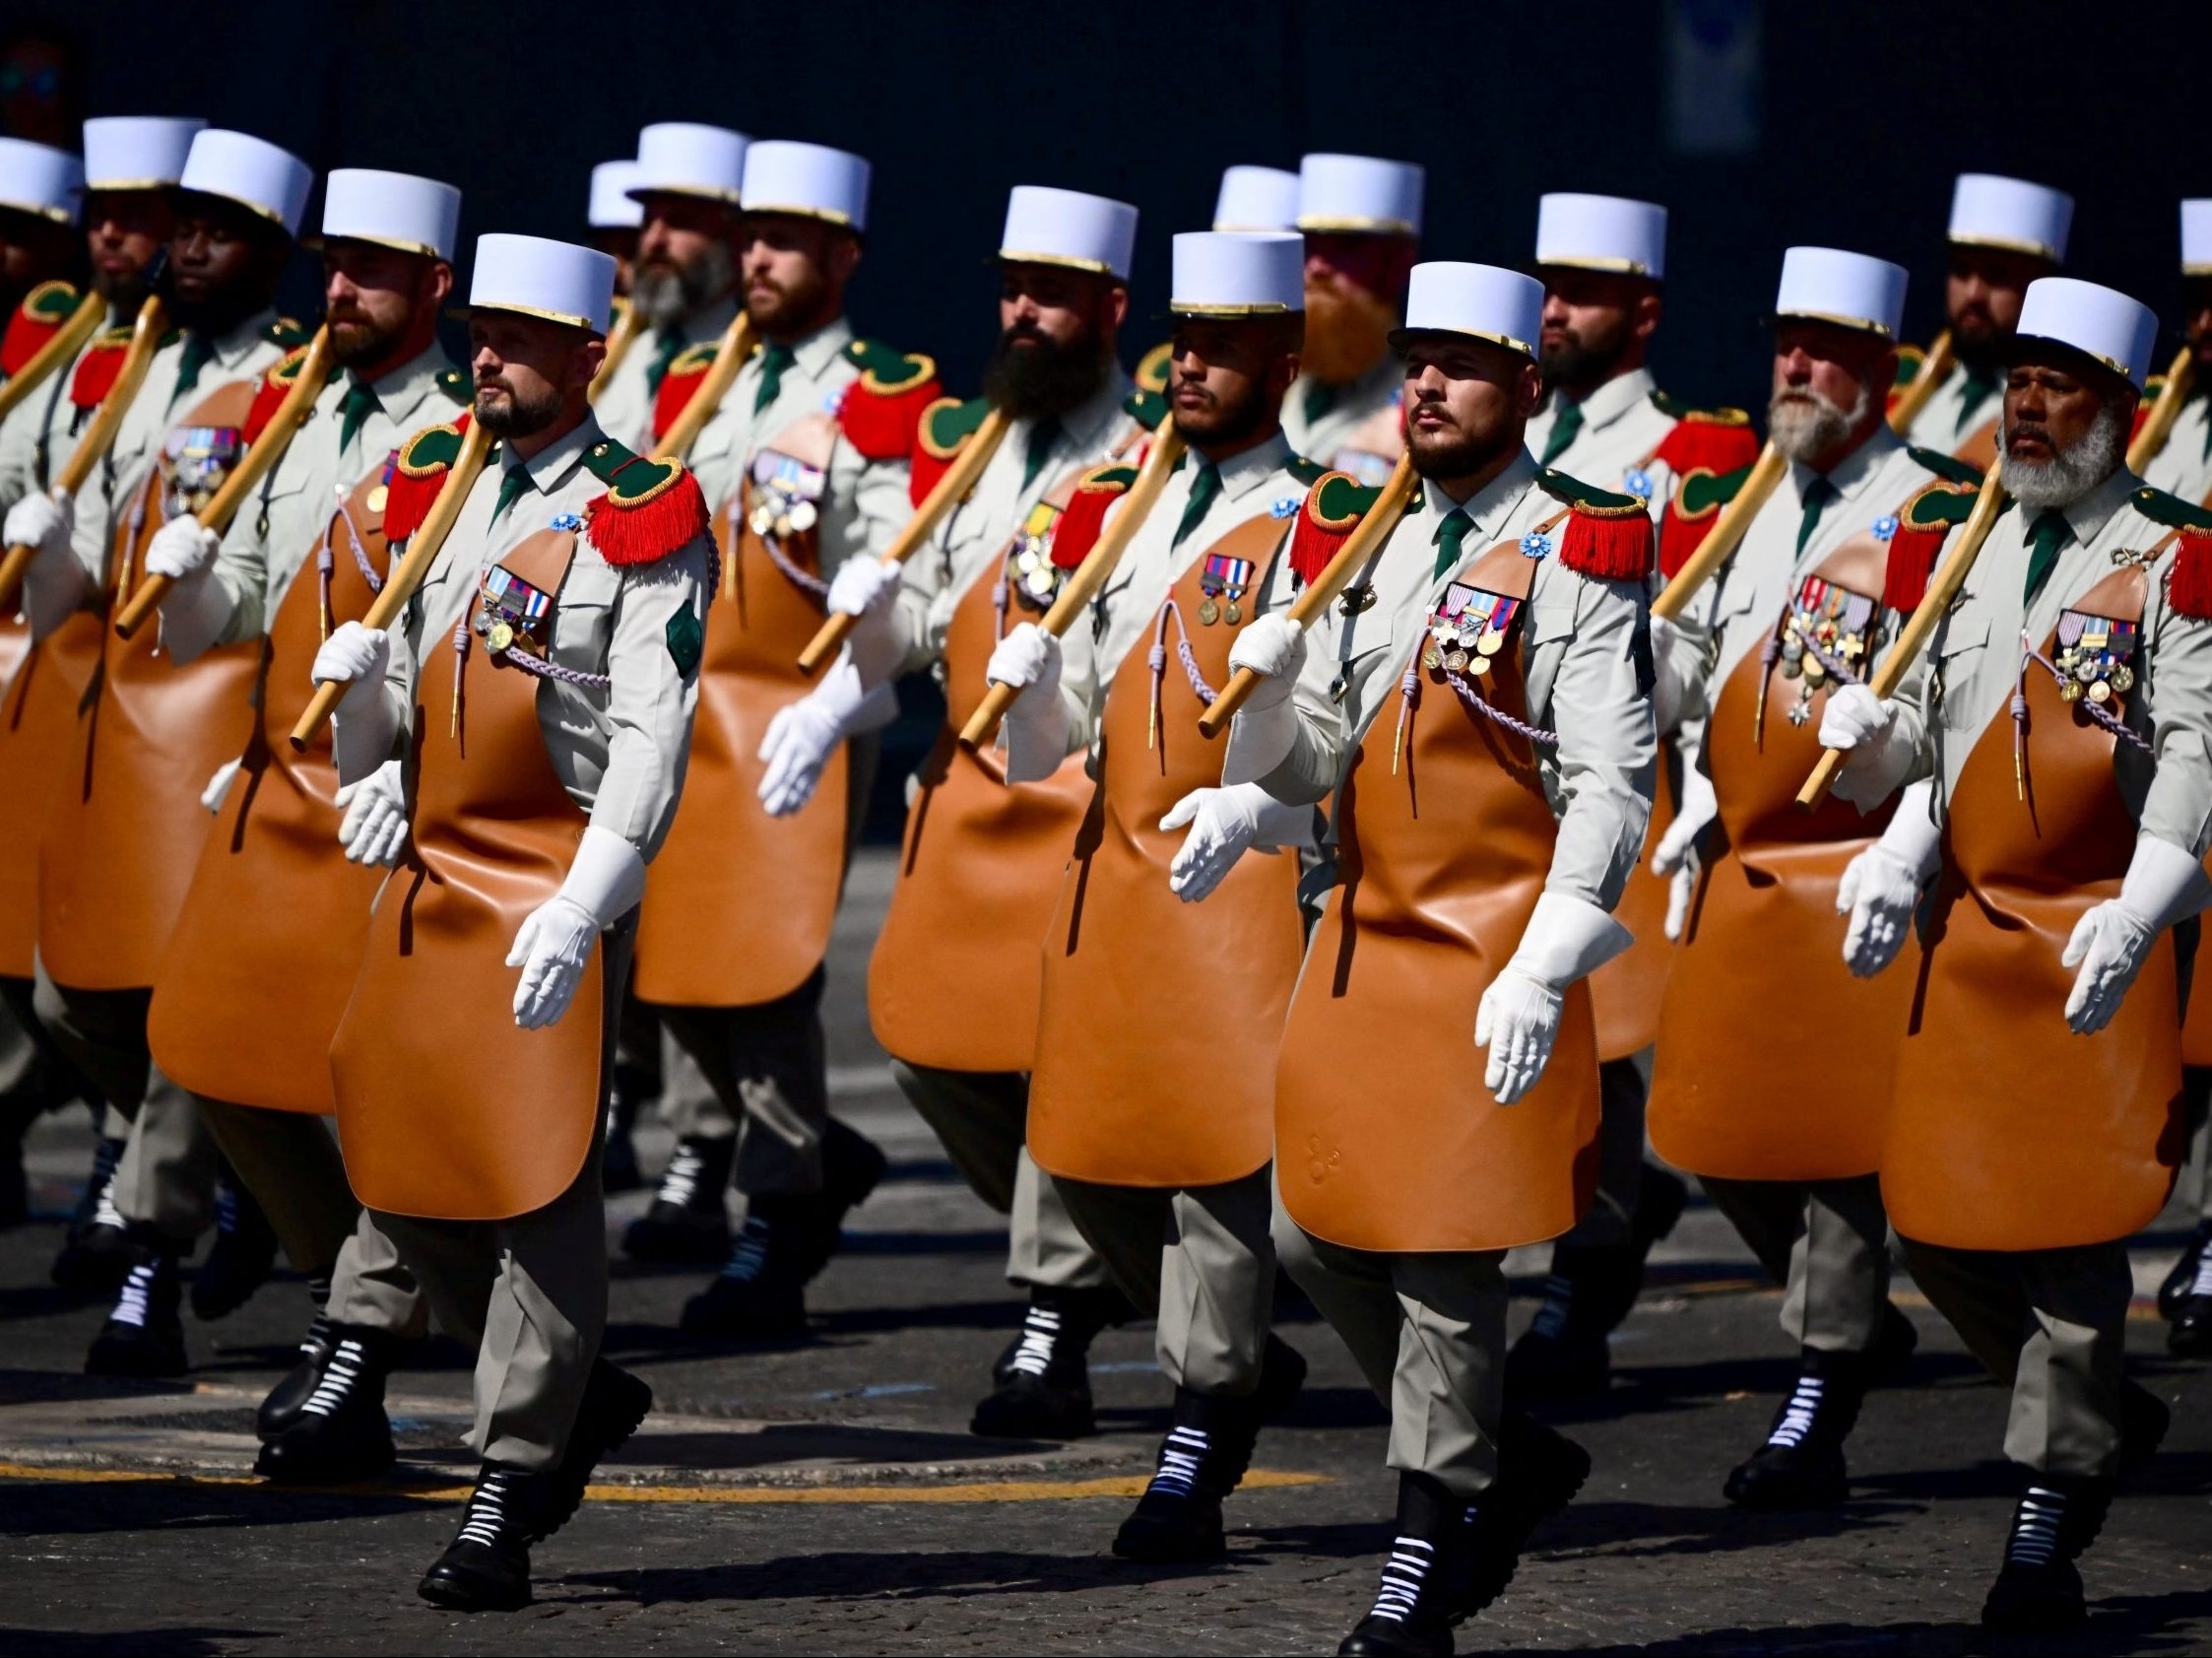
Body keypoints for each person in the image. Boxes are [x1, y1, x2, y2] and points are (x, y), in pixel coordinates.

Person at [1213, 260, 1657, 1654]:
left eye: (1461, 366)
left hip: (1483, 939)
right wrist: (1266, 733)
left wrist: (1543, 959)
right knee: (1310, 1228)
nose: (1423, 385)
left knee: (1443, 1253)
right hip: (1359, 934)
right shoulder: (1367, 536)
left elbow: (1607, 783)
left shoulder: (1577, 544)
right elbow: (1324, 757)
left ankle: (1429, 1533)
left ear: (1526, 390)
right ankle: (1503, 1452)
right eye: (1414, 361)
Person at [307, 232, 711, 1610]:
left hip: (555, 869)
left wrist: (588, 903)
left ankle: (508, 1485)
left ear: (586, 354)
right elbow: (409, 711)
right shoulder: (443, 487)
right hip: (432, 871)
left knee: (537, 1184)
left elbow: (653, 736)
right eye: (478, 332)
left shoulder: (641, 508)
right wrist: (363, 717)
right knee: (399, 1155)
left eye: (521, 338)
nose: (486, 357)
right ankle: (573, 1387)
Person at [1820, 276, 2206, 1630]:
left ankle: (2048, 1510)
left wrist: (2148, 895)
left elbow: (2197, 751)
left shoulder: (2172, 557)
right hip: (1971, 936)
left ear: (2120, 407)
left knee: (2070, 1232)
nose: (2025, 409)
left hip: (2096, 922)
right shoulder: (1973, 545)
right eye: (2015, 384)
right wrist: (1883, 789)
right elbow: (1939, 742)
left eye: (2056, 386)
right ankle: (2094, 1411)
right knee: (1936, 1223)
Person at [761, 184, 1148, 1436]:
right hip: (970, 797)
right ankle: (1156, 1268)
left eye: (1048, 294)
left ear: (1109, 309)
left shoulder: (1148, 456)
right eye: (1009, 291)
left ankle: (1053, 1316)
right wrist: (871, 630)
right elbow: (934, 613)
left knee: (1062, 1061)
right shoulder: (983, 440)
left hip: (1087, 798)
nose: (1021, 314)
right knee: (929, 1048)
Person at [978, 230, 1330, 1561]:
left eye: (1224, 348)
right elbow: (1047, 748)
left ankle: (1197, 1430)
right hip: (1107, 874)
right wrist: (1033, 686)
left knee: (1211, 1176)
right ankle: (1222, 1362)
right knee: (1079, 1156)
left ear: (1280, 367)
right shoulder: (1116, 504)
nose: (1190, 365)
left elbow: (1313, 749)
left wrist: (1274, 746)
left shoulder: (1319, 522)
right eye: (1182, 343)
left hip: (1230, 874)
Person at [128, 166, 470, 1474]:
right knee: (212, 1053)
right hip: (284, 782)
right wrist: (191, 586)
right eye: (332, 264)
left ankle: (355, 1350)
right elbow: (249, 614)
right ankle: (355, 1295)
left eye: (372, 269)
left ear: (434, 285)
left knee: (380, 1081)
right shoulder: (298, 412)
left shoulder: (461, 431)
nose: (340, 289)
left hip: (400, 799)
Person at [1643, 247, 1977, 1507]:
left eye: (1823, 347)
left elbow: (1955, 702)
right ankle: (1836, 1325)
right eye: (1783, 339)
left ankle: (1816, 1395)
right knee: (1722, 1134)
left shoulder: (1934, 515)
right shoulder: (1742, 496)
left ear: (1879, 370)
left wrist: (1908, 846)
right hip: (1740, 861)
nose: (1792, 364)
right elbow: (1697, 682)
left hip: (1857, 875)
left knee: (1837, 1151)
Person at [5, 127, 312, 1374]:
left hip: (222, 721)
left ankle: (151, 1266)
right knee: (66, 994)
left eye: (215, 231)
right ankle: (225, 1169)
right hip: (118, 725)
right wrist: (57, 554)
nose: (185, 250)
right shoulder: (125, 362)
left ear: (270, 252)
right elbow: (102, 567)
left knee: (180, 1001)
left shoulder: (290, 381)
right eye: (176, 226)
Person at [624, 140, 918, 1338]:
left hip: (802, 713)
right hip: (690, 709)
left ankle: (778, 1219)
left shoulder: (879, 392)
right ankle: (809, 1153)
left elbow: (894, 567)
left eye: (786, 240)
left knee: (767, 972)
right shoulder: (696, 378)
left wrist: (840, 692)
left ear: (842, 256)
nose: (755, 257)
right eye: (748, 236)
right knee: (676, 969)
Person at [1507, 191, 1759, 1394]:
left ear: (1642, 311)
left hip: (1603, 777)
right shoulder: (1505, 440)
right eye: (1545, 285)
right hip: (1484, 786)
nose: (1554, 309)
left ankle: (1580, 1286)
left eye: (1585, 291)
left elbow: (1704, 635)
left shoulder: (1688, 461)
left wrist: (1619, 673)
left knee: (1591, 1039)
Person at [0, 115, 197, 1272]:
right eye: (101, 213)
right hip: (53, 668)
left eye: (142, 214)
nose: (112, 233)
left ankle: (145, 1165)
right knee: (43, 933)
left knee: (129, 944)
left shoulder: (241, 365)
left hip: (163, 683)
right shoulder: (71, 341)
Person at [1890, 173, 2071, 468]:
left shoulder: (2063, 412)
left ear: (2043, 285)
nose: (1973, 294)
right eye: (1961, 271)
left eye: (1997, 276)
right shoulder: (1902, 385)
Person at [589, 122, 747, 453]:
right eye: (647, 222)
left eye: (680, 221)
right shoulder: (621, 351)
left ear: (734, 239)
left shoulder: (752, 361)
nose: (654, 241)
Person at [1279, 153, 1422, 486]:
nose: (1316, 267)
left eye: (1343, 249)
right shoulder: (1277, 382)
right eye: (1309, 246)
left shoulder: (1421, 403)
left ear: (1397, 264)